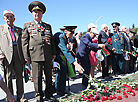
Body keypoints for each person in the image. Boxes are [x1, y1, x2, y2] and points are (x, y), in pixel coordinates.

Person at [21, 1, 56, 101]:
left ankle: (49, 94)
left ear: (42, 14)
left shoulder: (47, 26)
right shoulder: (27, 25)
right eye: (35, 12)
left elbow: (52, 40)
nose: (37, 14)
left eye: (39, 12)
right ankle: (39, 96)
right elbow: (24, 42)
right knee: (37, 78)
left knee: (49, 76)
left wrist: (53, 53)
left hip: (48, 54)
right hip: (34, 55)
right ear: (32, 14)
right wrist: (26, 56)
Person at [0, 10, 27, 102]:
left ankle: (21, 97)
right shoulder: (0, 28)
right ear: (4, 18)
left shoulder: (19, 30)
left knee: (19, 76)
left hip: (18, 54)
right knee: (8, 77)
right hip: (6, 55)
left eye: (11, 17)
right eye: (7, 17)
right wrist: (0, 54)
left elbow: (24, 43)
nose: (9, 19)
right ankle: (10, 96)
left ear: (14, 19)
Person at [53, 26, 84, 96]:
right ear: (66, 31)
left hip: (58, 55)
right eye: (70, 33)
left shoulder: (65, 36)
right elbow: (64, 50)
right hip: (55, 55)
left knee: (62, 72)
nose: (72, 35)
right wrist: (75, 63)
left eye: (73, 33)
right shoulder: (61, 36)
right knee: (62, 72)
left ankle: (55, 88)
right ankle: (60, 90)